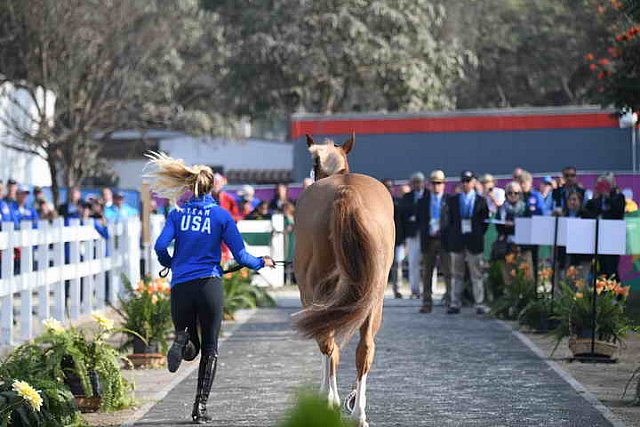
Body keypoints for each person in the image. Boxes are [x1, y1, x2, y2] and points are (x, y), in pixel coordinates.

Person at [148, 154, 275, 424]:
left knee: (189, 344)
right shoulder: (221, 216)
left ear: (190, 185)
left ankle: (181, 340)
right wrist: (261, 262)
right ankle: (199, 408)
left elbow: (159, 246)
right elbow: (241, 256)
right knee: (210, 348)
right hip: (209, 285)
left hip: (182, 286)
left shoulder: (177, 214)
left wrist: (170, 263)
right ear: (212, 188)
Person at [444, 170, 489, 315]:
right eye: (463, 181)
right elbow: (449, 221)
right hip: (458, 240)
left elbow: (484, 223)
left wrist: (477, 233)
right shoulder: (453, 200)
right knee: (456, 273)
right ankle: (455, 302)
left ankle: (479, 303)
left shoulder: (481, 201)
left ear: (474, 182)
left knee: (477, 274)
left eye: (468, 181)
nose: (465, 184)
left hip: (474, 241)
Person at [584, 173, 625, 279]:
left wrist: (607, 196)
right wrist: (594, 197)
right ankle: (603, 293)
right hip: (599, 238)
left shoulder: (619, 197)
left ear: (612, 183)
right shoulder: (597, 199)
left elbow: (618, 211)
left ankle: (616, 294)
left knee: (611, 268)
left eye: (606, 183)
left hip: (613, 238)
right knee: (601, 268)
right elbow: (588, 212)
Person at [420, 170, 450, 313]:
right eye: (433, 183)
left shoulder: (449, 200)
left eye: (439, 183)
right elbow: (420, 221)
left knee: (448, 271)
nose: (436, 186)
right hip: (429, 240)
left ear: (444, 184)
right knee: (427, 272)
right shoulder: (423, 201)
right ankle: (427, 301)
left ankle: (450, 300)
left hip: (444, 239)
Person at [398, 172, 428, 299]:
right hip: (412, 234)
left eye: (419, 182)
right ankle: (415, 289)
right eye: (415, 182)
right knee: (413, 262)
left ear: (423, 183)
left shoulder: (429, 195)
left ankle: (428, 290)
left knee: (427, 263)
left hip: (426, 234)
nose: (417, 184)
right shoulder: (407, 197)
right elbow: (402, 216)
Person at [383, 178, 404, 298]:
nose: (388, 189)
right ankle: (381, 289)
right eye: (386, 186)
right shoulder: (377, 204)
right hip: (382, 240)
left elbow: (402, 222)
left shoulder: (398, 202)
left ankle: (397, 288)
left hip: (397, 239)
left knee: (397, 264)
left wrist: (403, 239)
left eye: (390, 187)